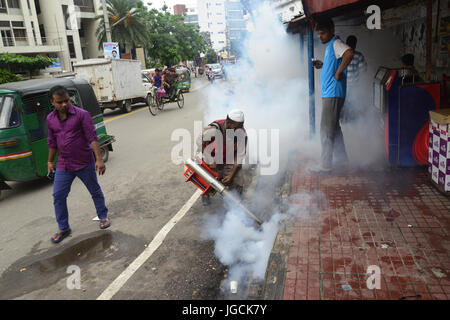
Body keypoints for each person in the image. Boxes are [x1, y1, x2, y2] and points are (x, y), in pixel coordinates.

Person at [47, 86, 110, 243]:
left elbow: (92, 137)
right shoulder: (50, 119)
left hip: (84, 161)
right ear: (53, 102)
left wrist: (99, 159)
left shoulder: (82, 115)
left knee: (94, 190)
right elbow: (52, 142)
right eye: (60, 102)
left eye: (67, 101)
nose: (64, 105)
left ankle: (103, 216)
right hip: (64, 164)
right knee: (58, 195)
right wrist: (50, 161)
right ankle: (64, 228)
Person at [310, 18, 354, 173]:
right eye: (319, 34)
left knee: (326, 130)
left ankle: (325, 164)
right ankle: (342, 160)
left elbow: (349, 53)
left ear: (332, 31)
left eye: (323, 33)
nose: (320, 36)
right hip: (331, 93)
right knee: (334, 129)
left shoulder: (336, 43)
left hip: (333, 93)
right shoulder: (331, 46)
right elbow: (334, 64)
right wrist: (322, 65)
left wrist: (339, 72)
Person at [196, 109, 248, 205]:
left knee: (238, 179)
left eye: (240, 127)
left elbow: (240, 157)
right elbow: (199, 141)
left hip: (228, 158)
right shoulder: (214, 129)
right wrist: (211, 160)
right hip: (210, 156)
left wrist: (231, 175)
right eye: (235, 128)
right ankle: (205, 194)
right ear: (228, 123)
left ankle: (236, 204)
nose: (238, 130)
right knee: (205, 176)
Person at [341, 35, 367, 123]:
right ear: (355, 44)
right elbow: (363, 70)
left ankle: (343, 124)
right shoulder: (359, 56)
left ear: (346, 43)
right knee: (352, 107)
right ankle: (351, 126)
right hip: (354, 87)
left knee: (342, 107)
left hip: (342, 86)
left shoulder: (341, 55)